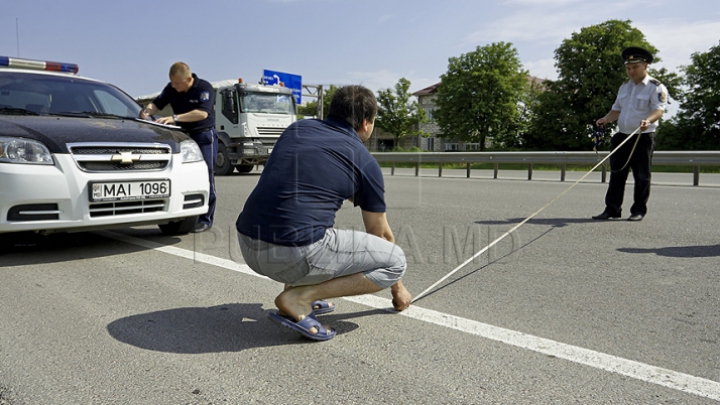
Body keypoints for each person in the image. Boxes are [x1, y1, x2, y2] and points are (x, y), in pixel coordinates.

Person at [236, 85, 412, 341]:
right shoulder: (364, 161)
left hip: (248, 244)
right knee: (396, 261)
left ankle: (299, 287)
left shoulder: (297, 129)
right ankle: (299, 297)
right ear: (365, 123)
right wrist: (399, 290)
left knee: (308, 219)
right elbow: (380, 234)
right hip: (291, 255)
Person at [592, 47, 668, 222]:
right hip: (622, 136)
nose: (631, 71)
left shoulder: (655, 87)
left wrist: (648, 120)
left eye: (635, 67)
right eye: (628, 68)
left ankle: (638, 210)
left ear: (645, 65)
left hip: (643, 136)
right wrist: (605, 119)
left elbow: (659, 110)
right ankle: (612, 209)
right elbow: (616, 110)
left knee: (641, 175)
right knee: (617, 173)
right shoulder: (624, 87)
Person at [140, 62, 217, 233]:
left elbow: (203, 113)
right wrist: (147, 111)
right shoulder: (171, 88)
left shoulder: (204, 88)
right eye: (172, 83)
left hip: (203, 135)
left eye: (177, 83)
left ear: (188, 79)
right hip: (182, 136)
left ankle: (205, 219)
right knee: (180, 174)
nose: (174, 86)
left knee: (206, 174)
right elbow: (156, 103)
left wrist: (175, 117)